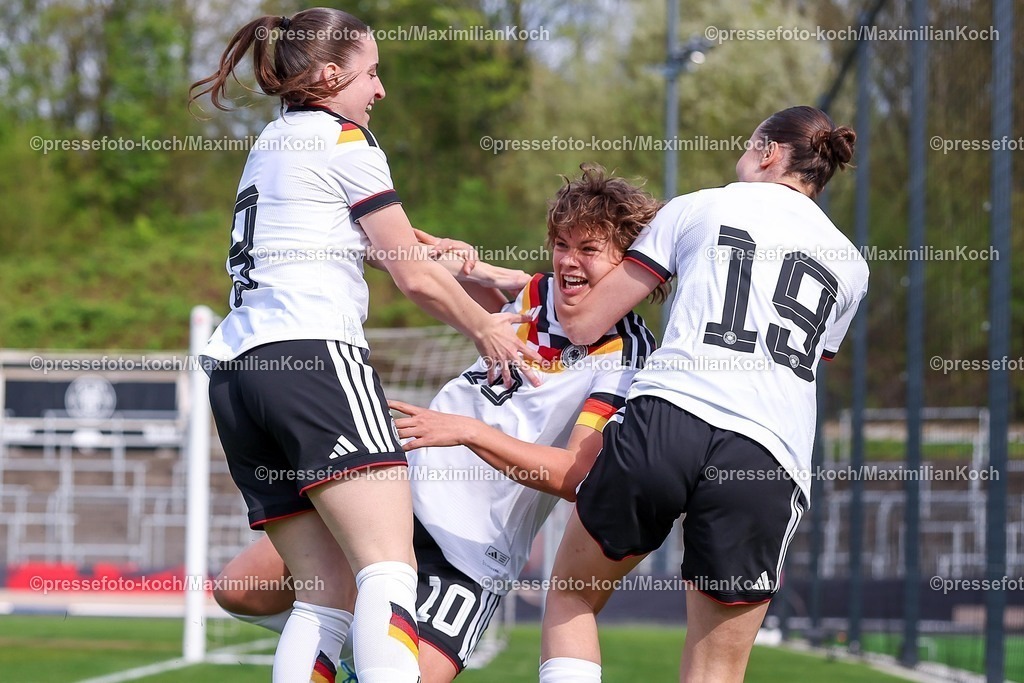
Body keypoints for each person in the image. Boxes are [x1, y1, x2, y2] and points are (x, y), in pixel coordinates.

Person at [187, 9, 540, 683]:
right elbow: (410, 273)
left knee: (323, 595)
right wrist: (486, 326)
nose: (380, 90)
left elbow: (376, 238)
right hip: (312, 360)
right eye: (371, 73)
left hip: (237, 375)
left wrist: (467, 263)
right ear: (329, 76)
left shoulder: (275, 140)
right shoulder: (347, 140)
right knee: (388, 564)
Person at [210, 165, 667, 683]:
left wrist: (467, 431)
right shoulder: (536, 297)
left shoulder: (627, 358)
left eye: (588, 250)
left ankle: (366, 651)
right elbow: (467, 287)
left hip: (469, 552)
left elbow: (574, 477)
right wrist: (456, 265)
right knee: (241, 588)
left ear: (628, 263)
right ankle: (357, 647)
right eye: (561, 244)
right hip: (397, 494)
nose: (568, 261)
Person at [538, 106, 870, 683]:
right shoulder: (853, 265)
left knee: (572, 595)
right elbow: (809, 364)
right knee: (717, 666)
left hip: (672, 413)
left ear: (769, 152)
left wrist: (518, 285)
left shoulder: (701, 204)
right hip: (767, 452)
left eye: (748, 146)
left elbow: (586, 321)